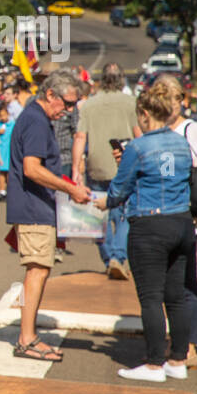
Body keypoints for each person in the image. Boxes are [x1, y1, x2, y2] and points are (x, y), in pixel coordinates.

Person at [94, 84, 193, 382]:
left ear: (146, 114)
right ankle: (178, 359)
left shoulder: (138, 147)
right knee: (176, 297)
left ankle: (153, 363)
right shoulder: (181, 143)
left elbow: (119, 190)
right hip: (181, 220)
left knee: (150, 297)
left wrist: (103, 201)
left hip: (149, 225)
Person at [7, 69, 93, 362]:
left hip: (36, 205)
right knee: (37, 270)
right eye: (67, 104)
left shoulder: (36, 117)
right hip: (33, 207)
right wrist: (69, 188)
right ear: (50, 95)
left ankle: (28, 336)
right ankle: (27, 338)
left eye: (74, 105)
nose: (69, 111)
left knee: (39, 269)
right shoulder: (36, 120)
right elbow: (32, 168)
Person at [155, 74, 197, 370]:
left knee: (186, 282)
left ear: (182, 101)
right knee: (169, 283)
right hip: (164, 214)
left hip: (187, 215)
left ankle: (188, 345)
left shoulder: (192, 129)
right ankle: (178, 340)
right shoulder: (159, 130)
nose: (167, 107)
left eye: (172, 101)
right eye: (161, 101)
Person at [73, 64, 138, 281]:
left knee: (99, 215)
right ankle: (118, 258)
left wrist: (76, 168)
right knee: (124, 215)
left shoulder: (89, 105)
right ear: (121, 79)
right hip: (124, 166)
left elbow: (80, 137)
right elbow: (138, 135)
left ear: (102, 79)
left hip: (97, 165)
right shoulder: (130, 103)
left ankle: (108, 257)